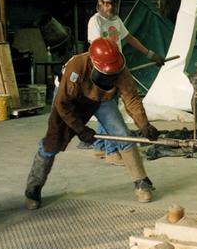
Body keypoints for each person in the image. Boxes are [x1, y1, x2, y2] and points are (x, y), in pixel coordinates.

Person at [24, 38, 160, 210]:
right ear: (94, 63)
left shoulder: (119, 67)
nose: (110, 75)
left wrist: (144, 125)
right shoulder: (77, 67)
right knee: (52, 143)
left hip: (103, 100)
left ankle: (142, 182)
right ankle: (33, 187)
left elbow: (131, 97)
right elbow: (62, 104)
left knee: (123, 135)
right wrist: (80, 129)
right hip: (71, 100)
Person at [87, 0, 164, 165]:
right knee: (108, 108)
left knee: (118, 103)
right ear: (99, 2)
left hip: (118, 66)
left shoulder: (116, 20)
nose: (110, 8)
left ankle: (99, 147)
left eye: (113, 4)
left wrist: (150, 54)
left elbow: (129, 39)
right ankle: (111, 151)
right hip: (104, 69)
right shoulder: (95, 22)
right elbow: (96, 47)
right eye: (106, 4)